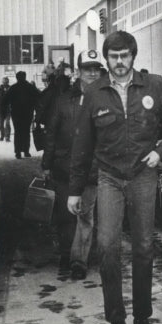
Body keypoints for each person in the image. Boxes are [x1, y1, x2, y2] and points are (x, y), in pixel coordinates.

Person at [69, 31, 162, 324]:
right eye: (113, 56)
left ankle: (141, 317)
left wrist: (161, 151)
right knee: (107, 247)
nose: (119, 62)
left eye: (124, 56)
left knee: (142, 248)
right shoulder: (94, 93)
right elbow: (82, 145)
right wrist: (74, 189)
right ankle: (116, 322)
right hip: (108, 176)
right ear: (106, 59)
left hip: (142, 175)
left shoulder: (154, 86)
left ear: (133, 57)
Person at [42, 52, 102, 279]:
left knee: (86, 215)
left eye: (96, 68)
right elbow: (51, 133)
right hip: (65, 167)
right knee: (66, 216)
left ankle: (79, 261)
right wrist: (47, 163)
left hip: (93, 168)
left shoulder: (108, 98)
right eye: (87, 69)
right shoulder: (64, 99)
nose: (92, 73)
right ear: (78, 71)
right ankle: (67, 254)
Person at [6, 70, 40, 159]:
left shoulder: (13, 88)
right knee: (26, 131)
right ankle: (26, 151)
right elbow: (38, 97)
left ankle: (18, 152)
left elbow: (6, 100)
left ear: (17, 78)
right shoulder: (30, 87)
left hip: (16, 113)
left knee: (18, 132)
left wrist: (7, 109)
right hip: (27, 112)